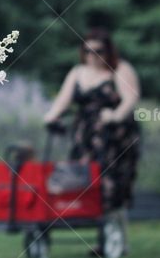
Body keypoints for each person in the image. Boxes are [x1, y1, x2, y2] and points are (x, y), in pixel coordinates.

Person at [43, 28, 141, 254]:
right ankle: (102, 238)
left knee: (112, 189)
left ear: (107, 50)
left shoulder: (120, 69)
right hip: (85, 137)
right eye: (88, 51)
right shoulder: (78, 72)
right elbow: (63, 101)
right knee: (86, 185)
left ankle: (118, 242)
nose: (92, 56)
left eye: (98, 51)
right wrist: (51, 116)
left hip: (115, 137)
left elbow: (130, 98)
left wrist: (114, 116)